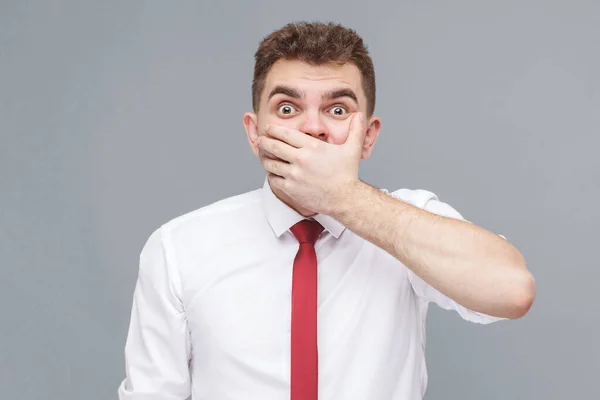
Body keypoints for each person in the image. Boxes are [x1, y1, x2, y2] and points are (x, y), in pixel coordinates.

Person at [117, 21, 536, 400]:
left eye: (338, 110)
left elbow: (511, 290)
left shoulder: (406, 220)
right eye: (287, 108)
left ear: (367, 137)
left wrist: (341, 196)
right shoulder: (179, 248)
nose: (313, 128)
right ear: (254, 133)